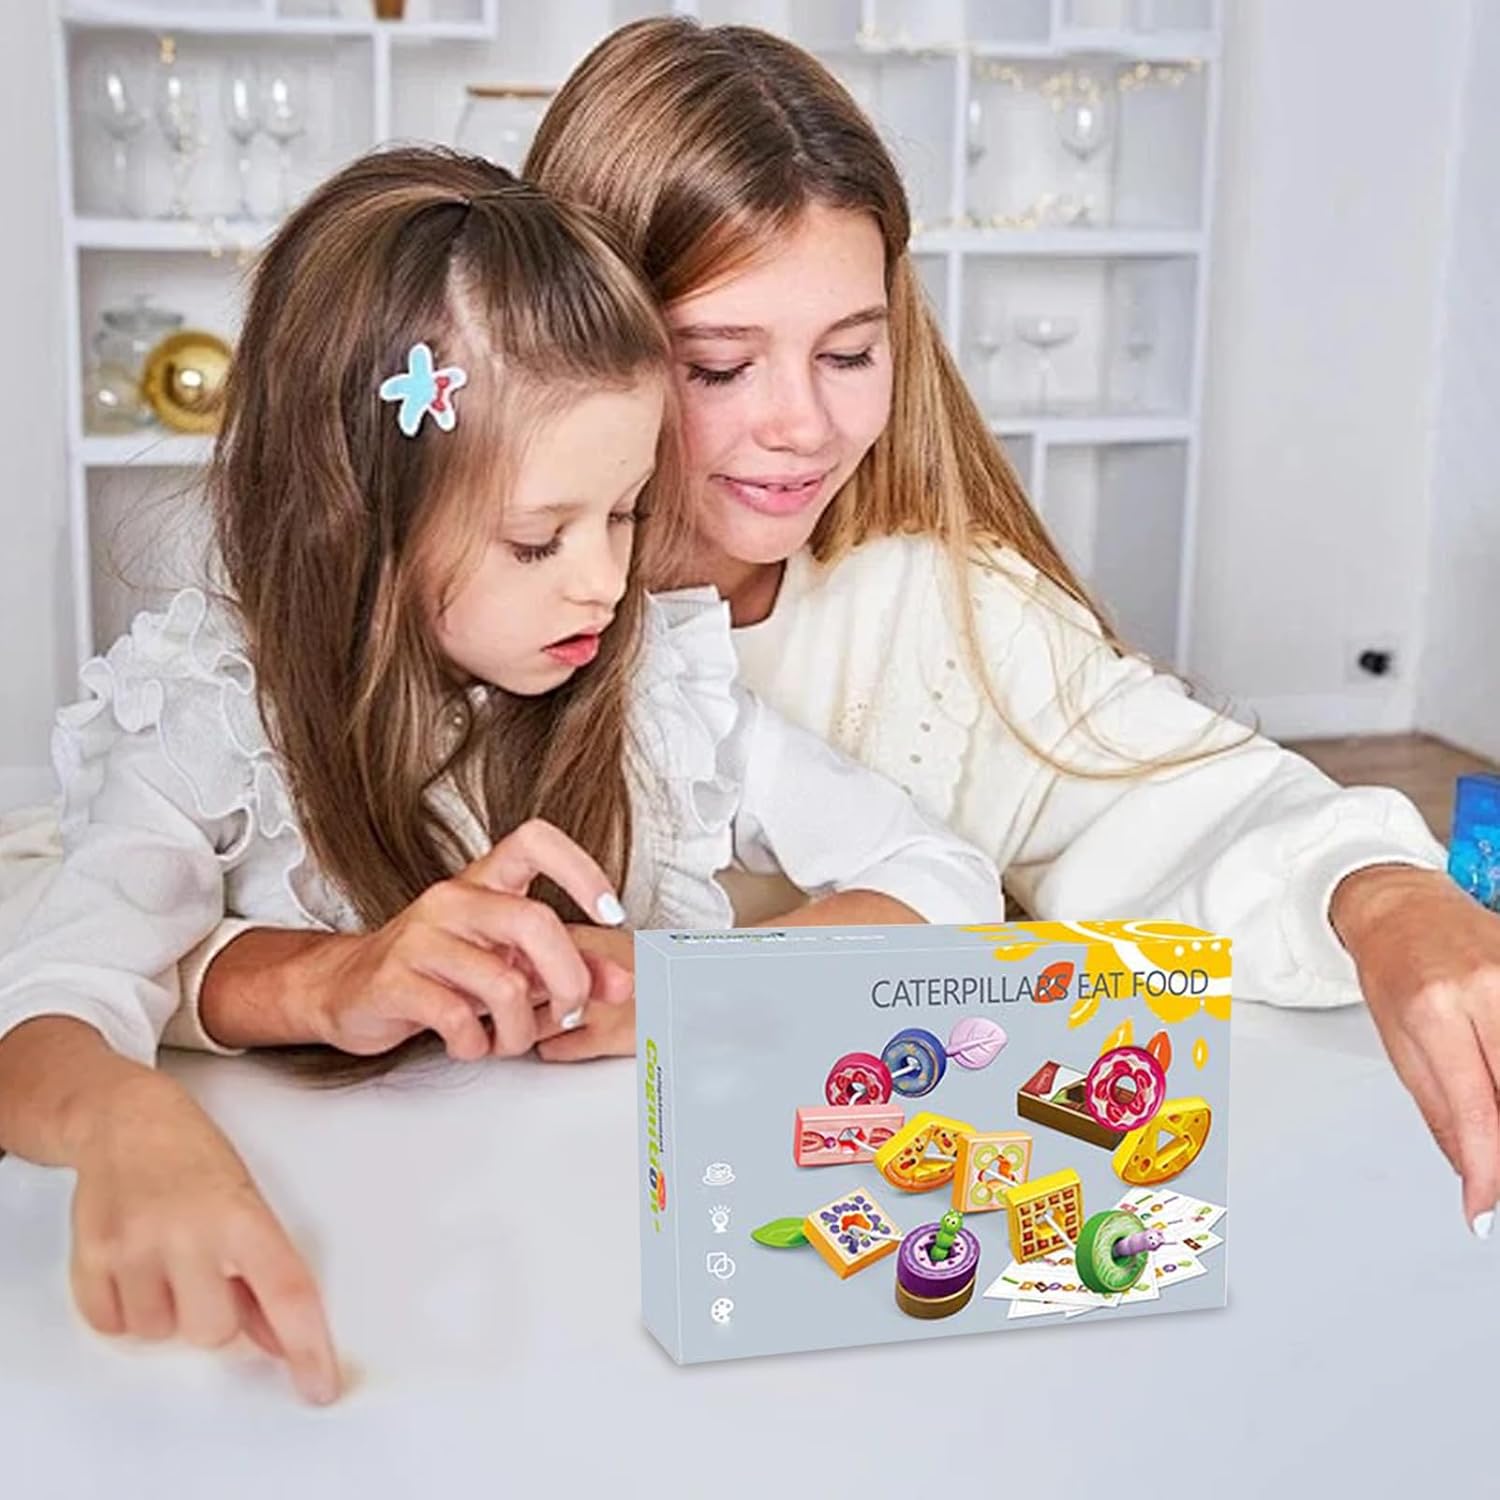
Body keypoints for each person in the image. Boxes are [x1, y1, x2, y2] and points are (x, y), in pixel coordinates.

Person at [186, 18, 1500, 1238]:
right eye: (717, 364)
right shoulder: (399, 633)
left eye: (850, 352)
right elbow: (124, 927)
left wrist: (1386, 900)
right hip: (448, 1244)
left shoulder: (939, 616)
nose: (802, 426)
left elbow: (1185, 798)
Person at [0, 146, 1002, 1404]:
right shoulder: (213, 716)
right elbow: (48, 1000)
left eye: (626, 513)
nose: (603, 583)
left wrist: (690, 987)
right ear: (355, 516)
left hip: (607, 1311)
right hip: (382, 1297)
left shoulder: (664, 697)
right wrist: (129, 1123)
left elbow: (943, 879)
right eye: (537, 539)